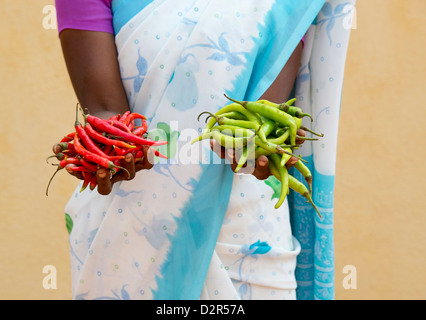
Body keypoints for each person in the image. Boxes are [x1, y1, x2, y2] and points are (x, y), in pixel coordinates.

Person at [53, 0, 354, 300]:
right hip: (126, 227)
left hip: (244, 233)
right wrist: (108, 151)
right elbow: (106, 110)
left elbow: (262, 113)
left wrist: (258, 148)